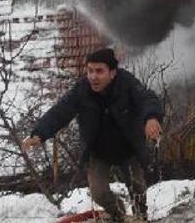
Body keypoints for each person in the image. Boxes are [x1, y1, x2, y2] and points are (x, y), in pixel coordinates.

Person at [22, 48, 163, 221]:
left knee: (138, 188)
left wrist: (152, 118)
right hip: (98, 150)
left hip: (128, 147)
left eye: (99, 71)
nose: (93, 77)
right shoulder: (81, 90)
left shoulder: (127, 83)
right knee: (99, 193)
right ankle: (119, 215)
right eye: (90, 71)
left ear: (112, 73)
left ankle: (141, 217)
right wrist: (39, 133)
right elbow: (60, 111)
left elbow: (147, 99)